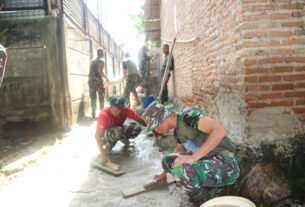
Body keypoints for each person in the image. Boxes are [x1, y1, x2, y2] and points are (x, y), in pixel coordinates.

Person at [142, 101, 240, 205]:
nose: (156, 131)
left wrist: (193, 158)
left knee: (183, 172)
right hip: (205, 159)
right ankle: (202, 188)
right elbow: (179, 150)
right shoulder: (177, 130)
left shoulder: (188, 116)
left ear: (162, 120)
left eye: (154, 127)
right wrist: (164, 173)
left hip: (226, 164)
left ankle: (205, 202)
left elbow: (219, 131)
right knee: (167, 160)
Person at [94, 95, 146, 171]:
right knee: (118, 130)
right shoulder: (104, 115)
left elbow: (138, 119)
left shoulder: (125, 111)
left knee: (136, 128)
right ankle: (108, 146)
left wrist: (152, 127)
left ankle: (123, 138)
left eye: (119, 109)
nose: (117, 112)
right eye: (114, 109)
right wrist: (103, 154)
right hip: (105, 137)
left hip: (118, 130)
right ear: (110, 107)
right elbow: (97, 135)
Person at [88, 48, 109, 118]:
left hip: (91, 80)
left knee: (93, 96)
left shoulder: (92, 60)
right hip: (98, 80)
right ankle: (102, 112)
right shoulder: (101, 60)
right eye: (103, 53)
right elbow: (100, 71)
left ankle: (93, 110)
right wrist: (106, 78)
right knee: (101, 95)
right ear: (102, 53)